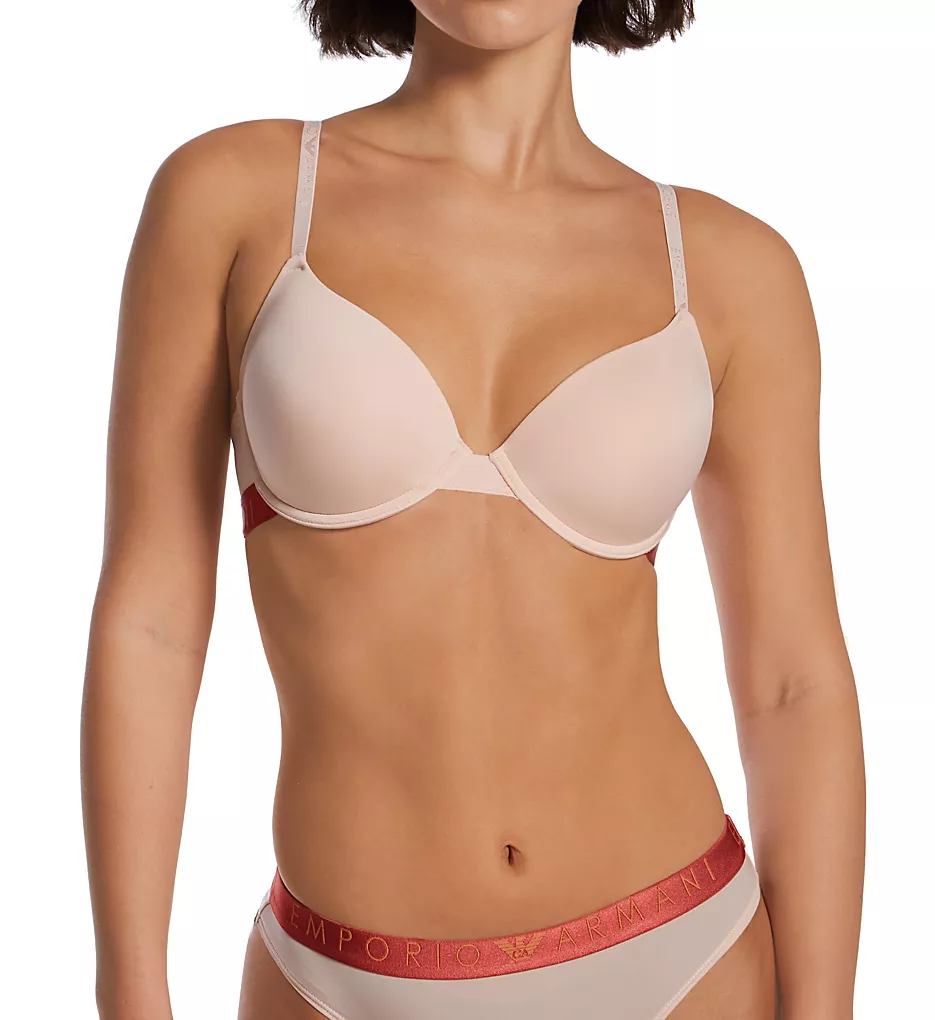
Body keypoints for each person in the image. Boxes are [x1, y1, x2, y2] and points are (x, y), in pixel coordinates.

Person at [81, 2, 866, 1018]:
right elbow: (150, 624)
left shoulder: (728, 269)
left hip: (678, 955)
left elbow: (791, 686)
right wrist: (129, 989)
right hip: (340, 978)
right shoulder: (238, 197)